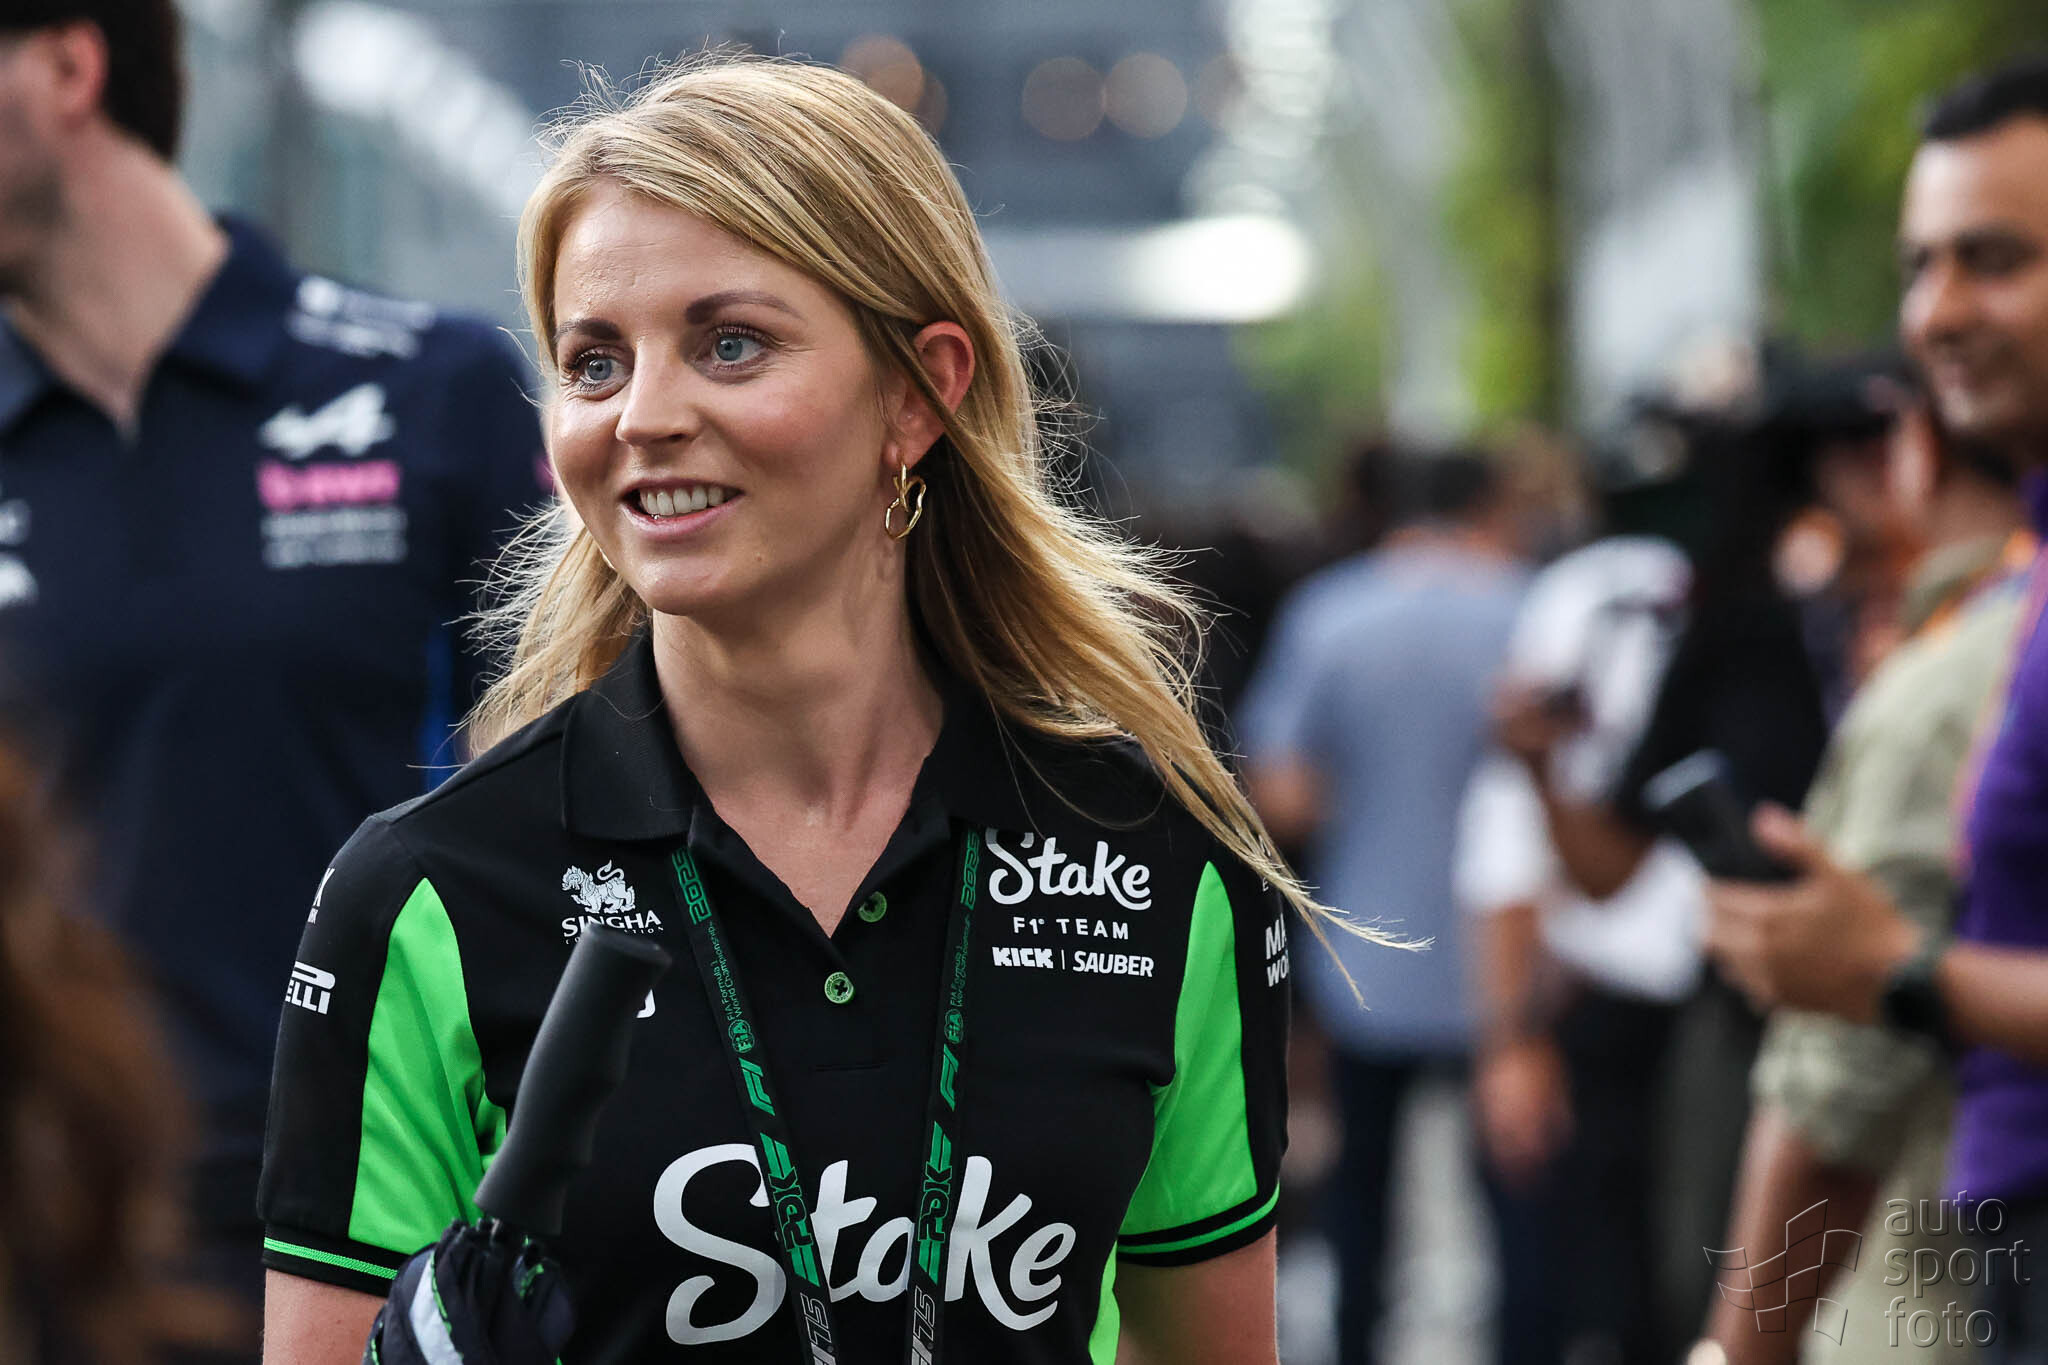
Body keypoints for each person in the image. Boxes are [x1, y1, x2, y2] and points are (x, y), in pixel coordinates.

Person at [258, 55, 1305, 1364]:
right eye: (594, 362)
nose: (643, 416)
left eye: (729, 344)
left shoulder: (1156, 866)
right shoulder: (425, 897)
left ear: (919, 393)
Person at [0, 0, 548, 1342]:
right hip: (57, 1240)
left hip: (382, 1216)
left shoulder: (433, 395)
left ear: (65, 66)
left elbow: (580, 814)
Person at [1704, 53, 2048, 1365]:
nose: (1939, 312)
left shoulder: (1948, 668)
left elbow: (1833, 1098)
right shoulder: (2013, 604)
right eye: (1920, 266)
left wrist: (1894, 972)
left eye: (1994, 260)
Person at [1699, 393, 2027, 1365]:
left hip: (1936, 1301)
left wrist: (1734, 1351)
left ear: (1915, 454)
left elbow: (1838, 1095)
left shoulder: (1943, 684)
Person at [1237, 449, 1531, 1365]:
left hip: (1365, 952)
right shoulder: (1527, 609)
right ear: (1488, 505)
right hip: (1507, 966)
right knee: (1518, 1200)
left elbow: (1281, 789)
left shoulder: (1332, 612)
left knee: (1360, 1187)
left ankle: (1358, 1343)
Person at [1459, 454, 1704, 1364]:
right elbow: (1515, 838)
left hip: (1703, 1003)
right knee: (1590, 1294)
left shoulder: (1625, 592)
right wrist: (1512, 1036)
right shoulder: (1602, 594)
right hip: (1606, 1007)